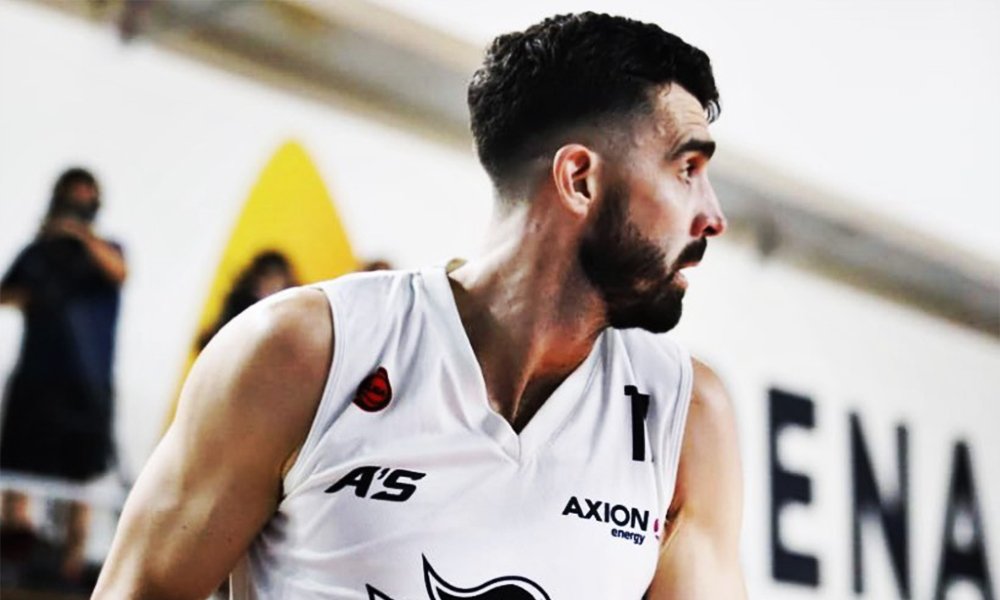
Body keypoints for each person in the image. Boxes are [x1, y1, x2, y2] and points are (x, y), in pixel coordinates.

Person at [94, 13, 745, 599]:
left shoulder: (686, 416)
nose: (713, 217)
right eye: (687, 170)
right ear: (579, 179)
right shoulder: (302, 352)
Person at [0, 167, 126, 581]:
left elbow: (118, 272)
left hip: (87, 385)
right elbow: (7, 293)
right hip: (37, 379)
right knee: (19, 468)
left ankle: (71, 568)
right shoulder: (38, 252)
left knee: (80, 480)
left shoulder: (106, 249)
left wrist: (81, 237)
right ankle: (15, 552)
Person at [198, 251, 298, 350]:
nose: (269, 285)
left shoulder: (292, 310)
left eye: (274, 281)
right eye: (266, 277)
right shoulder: (238, 303)